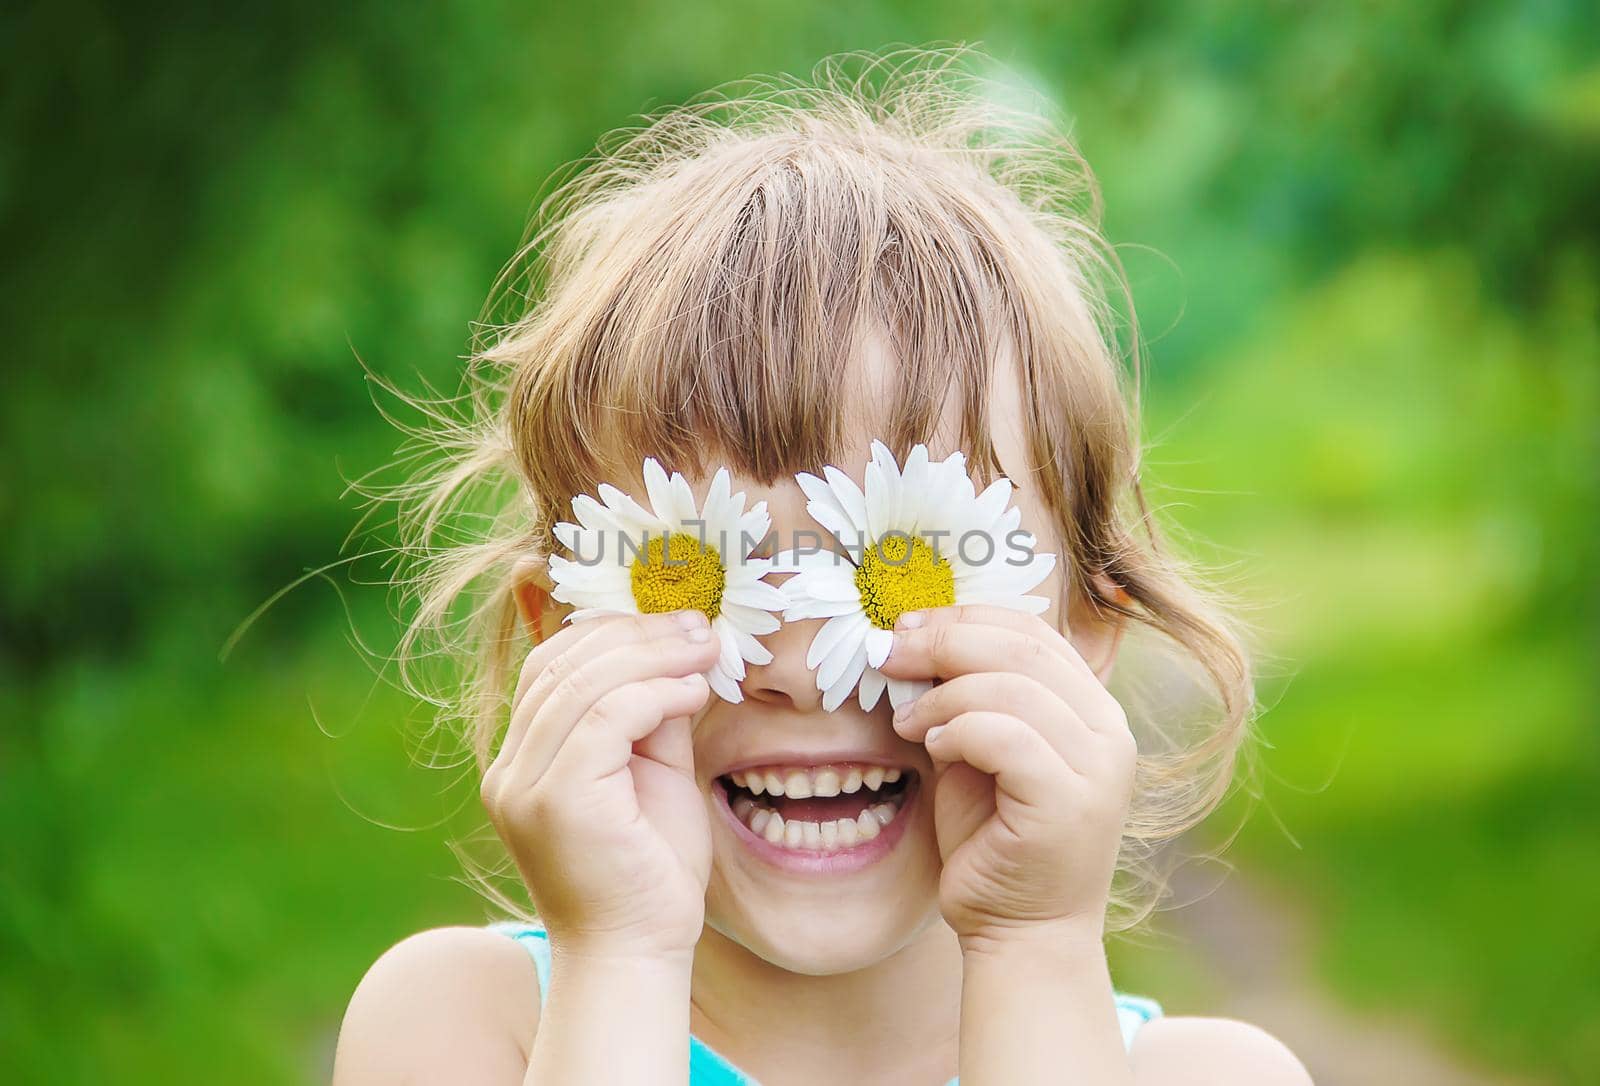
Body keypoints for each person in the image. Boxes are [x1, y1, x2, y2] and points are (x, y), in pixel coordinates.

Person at [332, 47, 1313, 1085]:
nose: (798, 669)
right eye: (698, 573)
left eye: (914, 571)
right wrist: (620, 953)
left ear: (1081, 631)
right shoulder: (464, 1028)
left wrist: (1034, 947)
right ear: (559, 633)